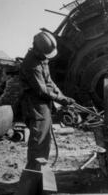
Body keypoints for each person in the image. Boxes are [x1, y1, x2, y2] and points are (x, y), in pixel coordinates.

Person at [19, 31, 74, 171]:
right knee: (38, 138)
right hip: (35, 103)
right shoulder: (31, 63)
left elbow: (49, 82)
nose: (46, 57)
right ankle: (32, 172)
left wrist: (62, 96)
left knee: (45, 138)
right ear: (37, 49)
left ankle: (40, 168)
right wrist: (61, 100)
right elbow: (41, 90)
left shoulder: (42, 59)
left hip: (43, 101)